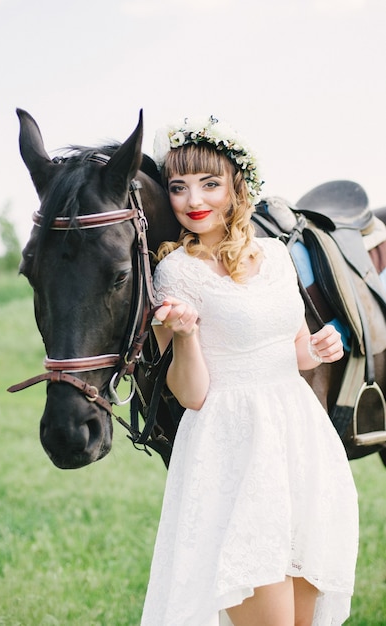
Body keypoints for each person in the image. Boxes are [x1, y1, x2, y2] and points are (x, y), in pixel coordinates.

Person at [140, 115, 359, 626]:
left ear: (237, 187)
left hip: (298, 439)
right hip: (232, 451)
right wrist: (189, 338)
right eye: (179, 186)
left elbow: (296, 352)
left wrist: (322, 348)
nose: (194, 199)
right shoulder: (175, 272)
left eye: (209, 183)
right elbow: (189, 395)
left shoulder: (278, 257)